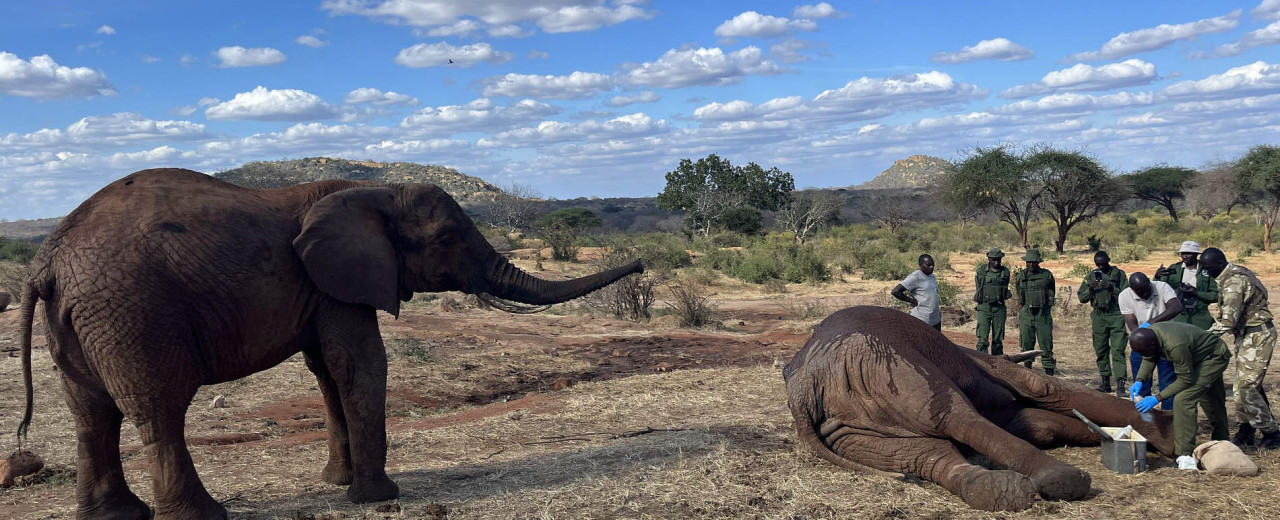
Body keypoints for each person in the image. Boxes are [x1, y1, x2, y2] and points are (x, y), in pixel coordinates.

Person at [1200, 247, 1280, 449]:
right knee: (1244, 386)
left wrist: (1201, 339)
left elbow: (1228, 321)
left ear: (1219, 264)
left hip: (1257, 336)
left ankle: (1272, 432)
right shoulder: (1236, 272)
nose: (1205, 271)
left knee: (1246, 388)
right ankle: (1247, 429)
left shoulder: (1234, 282)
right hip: (1247, 335)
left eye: (1208, 267)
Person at [1129, 322, 1231, 470]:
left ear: (1153, 343)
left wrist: (1157, 398)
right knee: (1211, 398)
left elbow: (1185, 380)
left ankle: (1184, 455)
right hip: (1197, 357)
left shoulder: (1175, 345)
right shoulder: (1150, 335)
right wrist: (1139, 380)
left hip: (1213, 357)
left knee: (1184, 399)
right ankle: (1222, 441)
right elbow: (1149, 357)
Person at [1118, 272, 1183, 410]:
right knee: (1141, 383)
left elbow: (1176, 307)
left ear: (1149, 281)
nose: (1145, 294)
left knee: (1167, 382)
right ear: (1132, 290)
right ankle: (1144, 419)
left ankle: (1167, 417)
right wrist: (1142, 336)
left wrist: (1151, 324)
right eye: (1140, 293)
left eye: (1147, 290)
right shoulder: (1125, 296)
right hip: (1142, 342)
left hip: (1166, 342)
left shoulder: (1162, 287)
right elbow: (1133, 327)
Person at [1078, 251, 1129, 395]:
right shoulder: (1090, 276)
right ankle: (1105, 382)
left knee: (1118, 349)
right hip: (1098, 315)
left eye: (1103, 263)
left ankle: (1120, 385)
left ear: (1109, 260)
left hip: (1115, 314)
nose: (1100, 266)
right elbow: (1082, 298)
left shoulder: (1119, 274)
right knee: (1100, 349)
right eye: (1097, 264)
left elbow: (1127, 295)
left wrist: (1111, 288)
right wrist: (1090, 288)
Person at [1154, 240, 1219, 330]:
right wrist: (1157, 277)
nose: (1185, 256)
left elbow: (1216, 295)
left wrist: (1196, 292)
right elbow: (1159, 288)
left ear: (1196, 254)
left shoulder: (1206, 270)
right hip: (1178, 314)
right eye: (1183, 253)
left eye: (1188, 253)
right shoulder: (1174, 268)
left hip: (1200, 315)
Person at [1015, 248, 1055, 374]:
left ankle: (1049, 373)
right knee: (1026, 344)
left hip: (1042, 315)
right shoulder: (1020, 276)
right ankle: (1027, 371)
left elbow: (1052, 292)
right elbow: (1019, 294)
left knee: (1046, 345)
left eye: (1034, 262)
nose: (1031, 264)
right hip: (1027, 314)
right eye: (1029, 262)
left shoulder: (1047, 275)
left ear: (1039, 262)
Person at [973, 247, 1011, 355]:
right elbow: (978, 288)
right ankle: (982, 362)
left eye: (999, 259)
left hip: (999, 308)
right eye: (994, 259)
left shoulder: (1005, 272)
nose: (997, 262)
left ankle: (997, 364)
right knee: (982, 338)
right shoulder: (981, 271)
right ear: (989, 259)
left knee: (998, 339)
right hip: (984, 307)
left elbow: (1005, 288)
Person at [893, 254, 941, 331]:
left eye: (932, 265)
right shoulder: (915, 277)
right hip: (922, 319)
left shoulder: (932, 276)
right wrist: (911, 301)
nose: (931, 267)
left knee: (937, 342)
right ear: (920, 265)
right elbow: (895, 291)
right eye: (928, 265)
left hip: (935, 319)